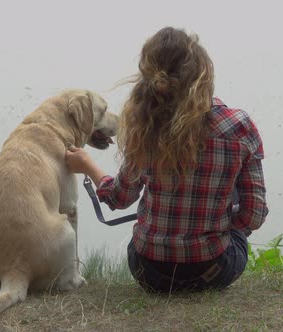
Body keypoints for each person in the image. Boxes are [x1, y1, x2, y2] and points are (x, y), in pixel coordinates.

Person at [65, 26, 268, 293]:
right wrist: (217, 226)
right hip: (213, 270)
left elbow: (120, 198)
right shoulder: (238, 126)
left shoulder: (143, 128)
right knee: (232, 189)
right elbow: (254, 215)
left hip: (149, 271)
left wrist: (87, 165)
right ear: (203, 73)